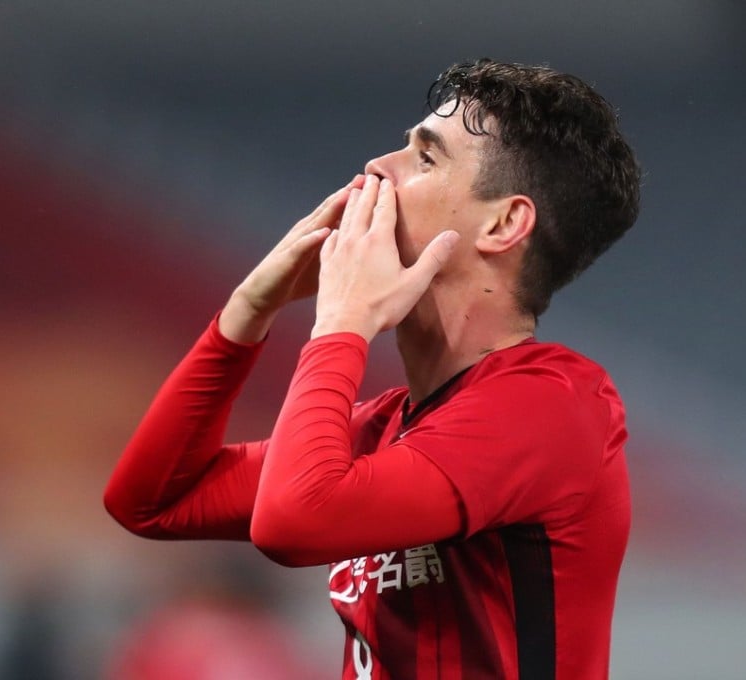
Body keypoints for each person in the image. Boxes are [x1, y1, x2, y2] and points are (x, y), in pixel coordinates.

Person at [103, 59, 640, 679]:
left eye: (426, 157)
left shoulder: (553, 402)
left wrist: (341, 321)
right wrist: (249, 310)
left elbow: (295, 523)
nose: (378, 169)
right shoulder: (388, 428)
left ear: (503, 224)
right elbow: (151, 501)